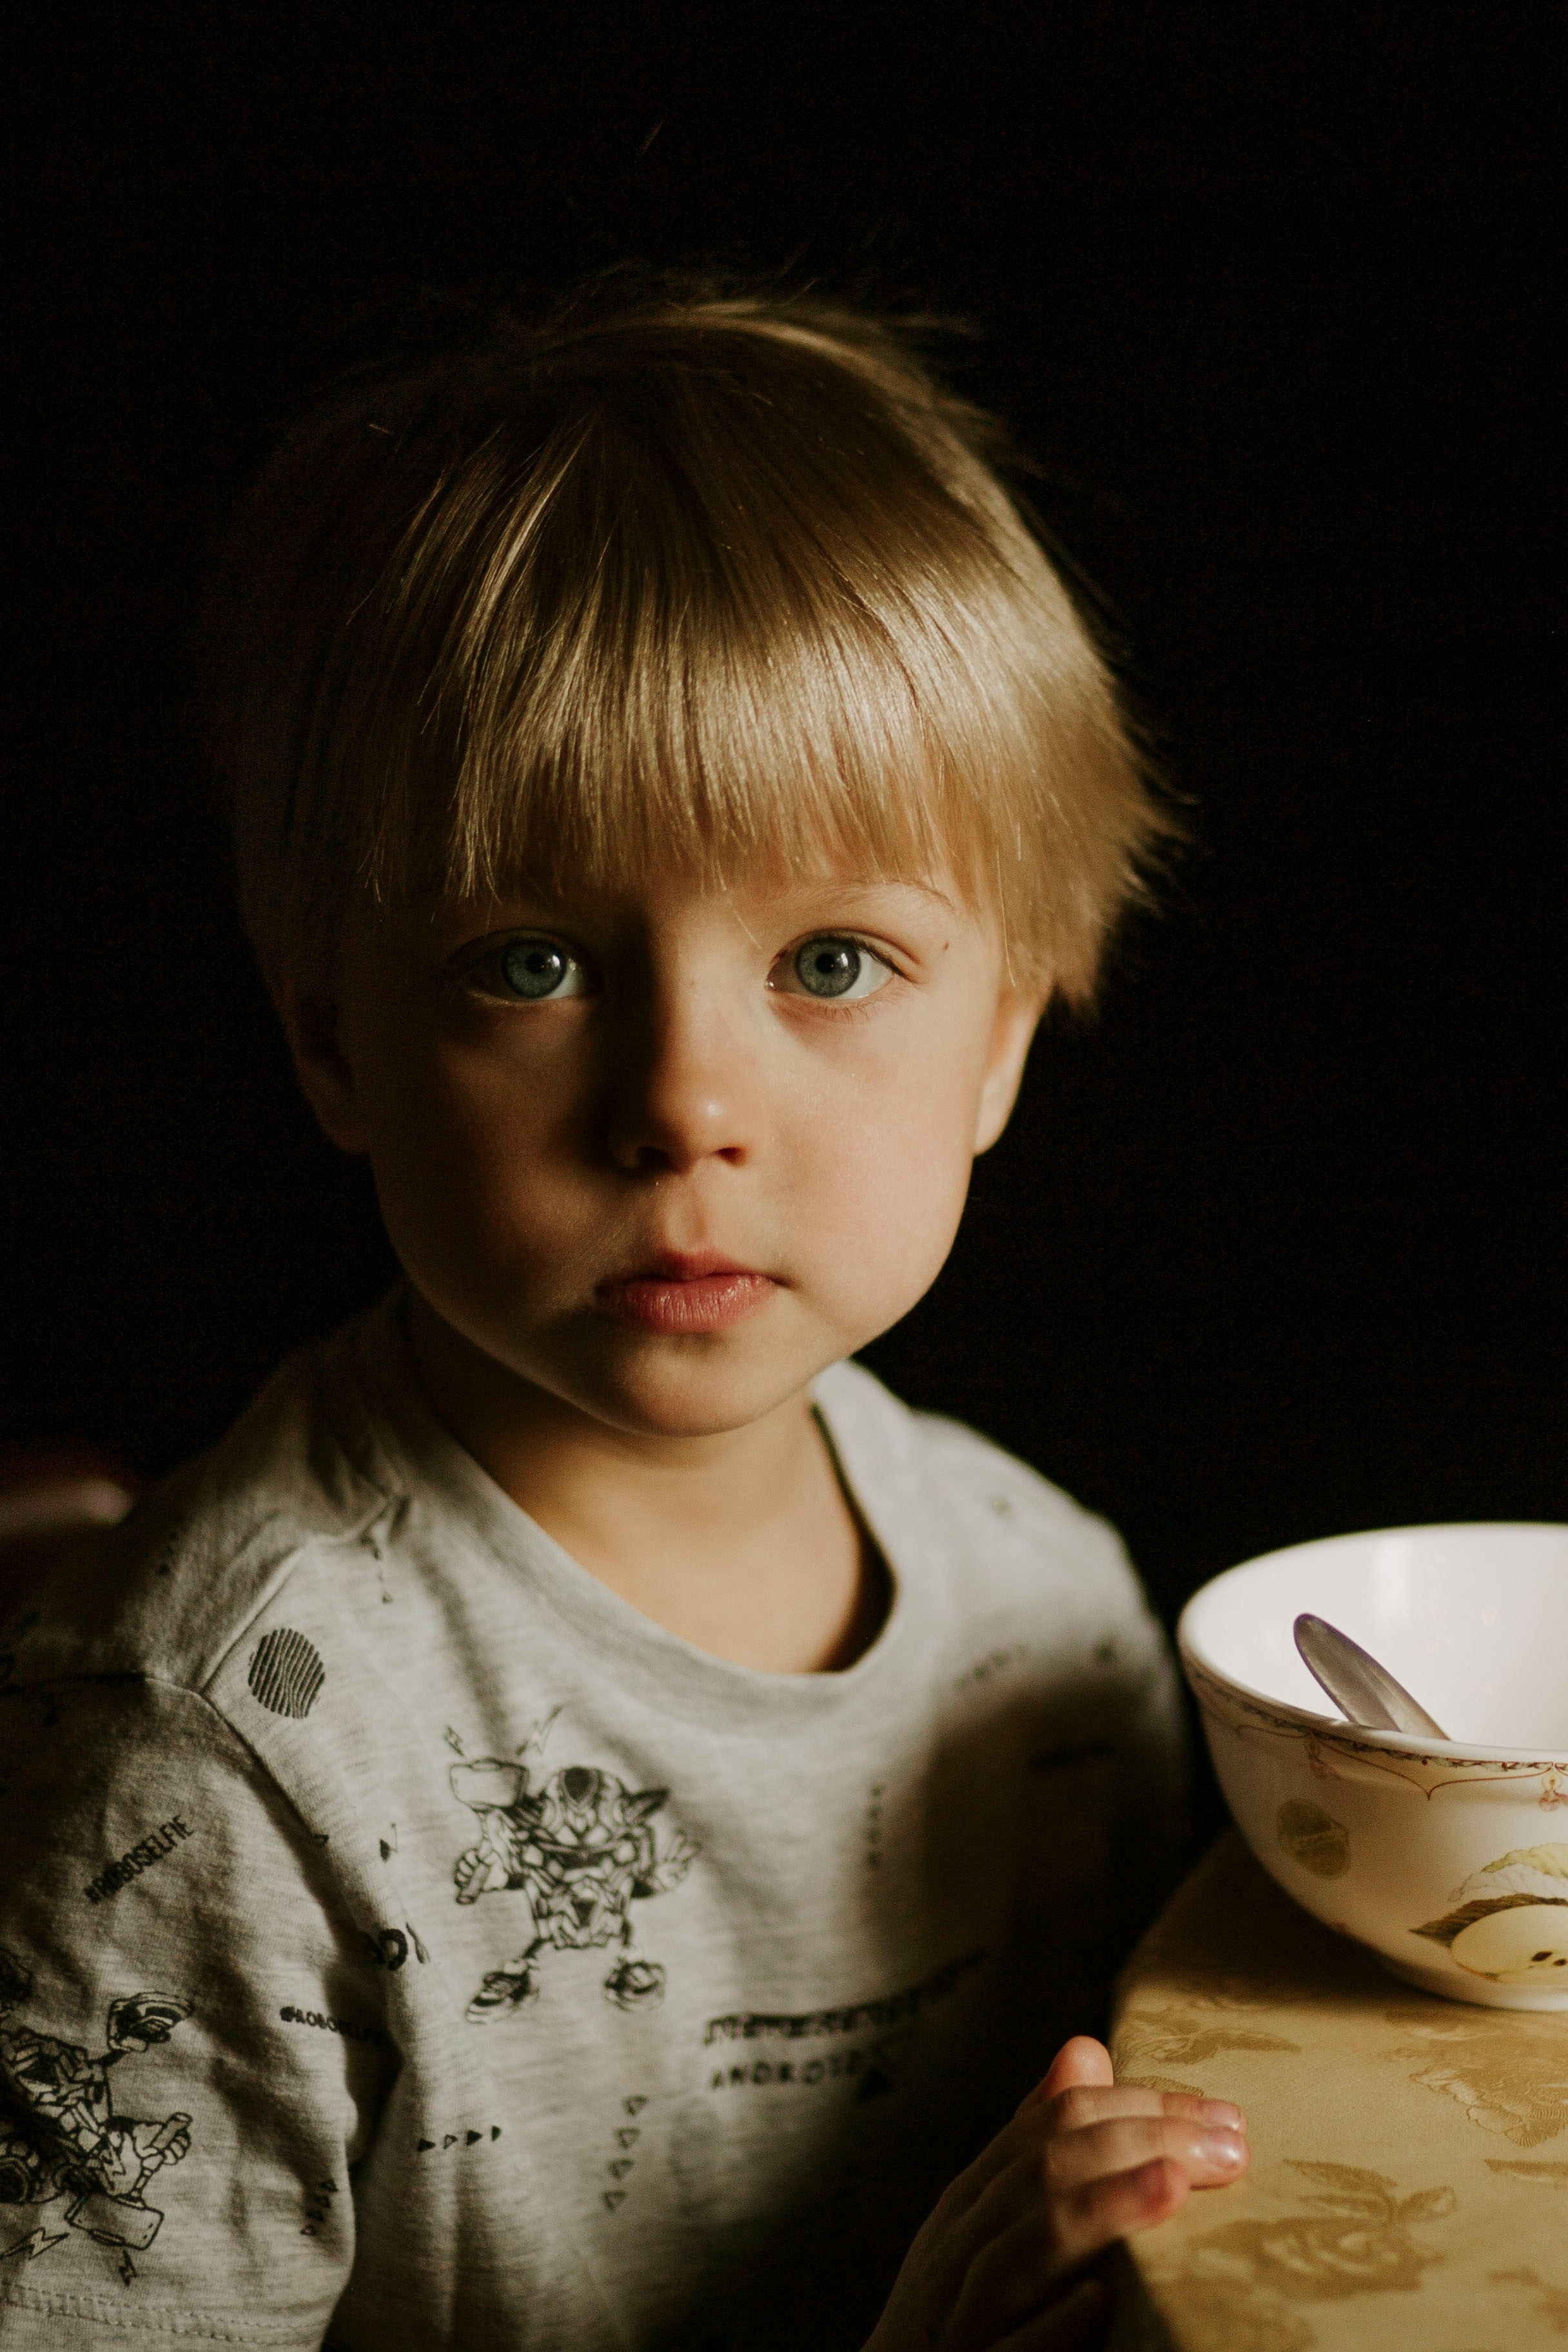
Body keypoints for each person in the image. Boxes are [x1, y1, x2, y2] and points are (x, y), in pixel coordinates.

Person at [0, 277, 1249, 2351]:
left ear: (1010, 1039)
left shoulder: (1058, 1633)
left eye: (833, 963)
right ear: (332, 1044)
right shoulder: (214, 1753)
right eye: (531, 962)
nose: (681, 1100)